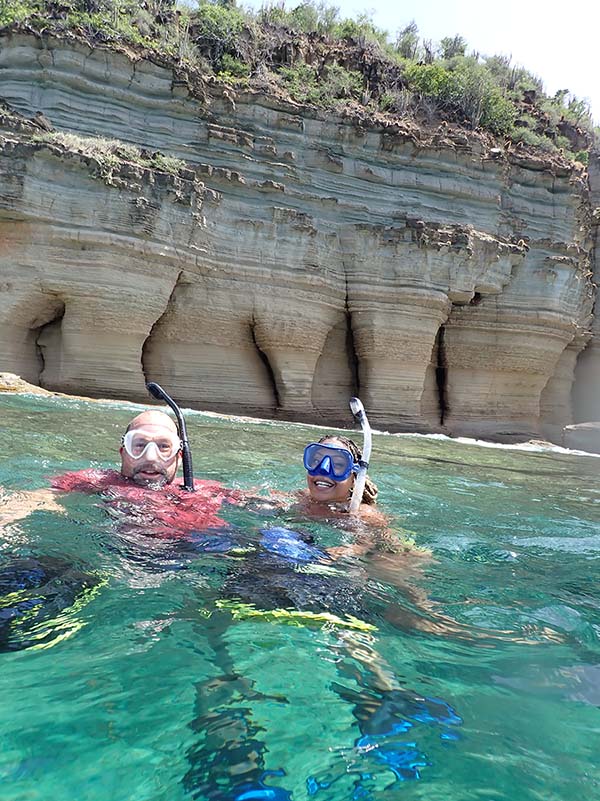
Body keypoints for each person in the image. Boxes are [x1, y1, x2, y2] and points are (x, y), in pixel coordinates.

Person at [0, 409, 243, 536]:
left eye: (163, 446)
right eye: (139, 445)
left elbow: (267, 502)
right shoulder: (99, 481)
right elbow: (39, 495)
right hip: (118, 554)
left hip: (198, 552)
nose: (151, 458)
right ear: (123, 452)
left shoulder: (205, 489)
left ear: (179, 456)